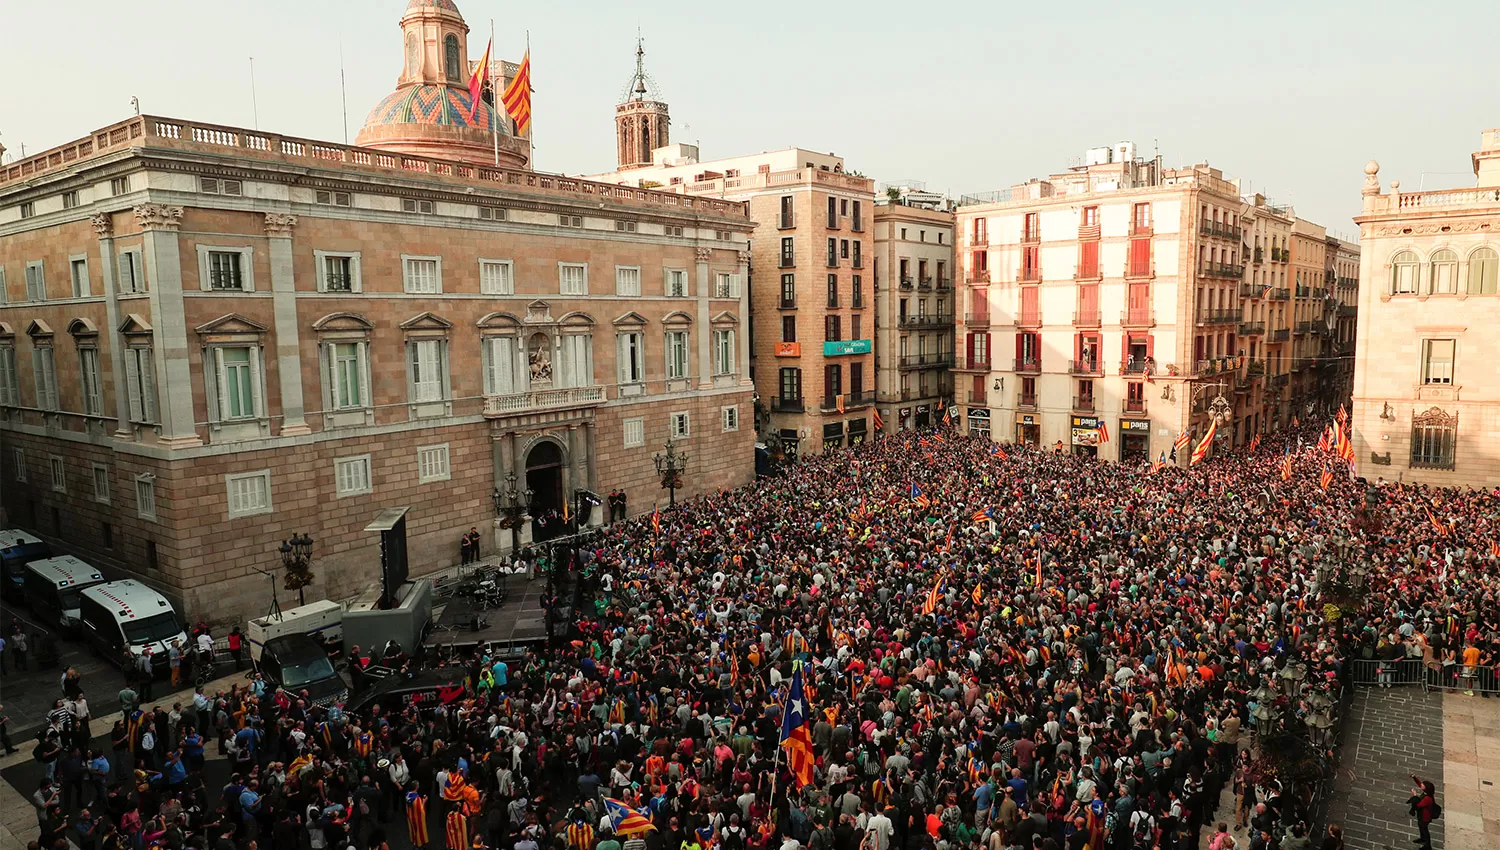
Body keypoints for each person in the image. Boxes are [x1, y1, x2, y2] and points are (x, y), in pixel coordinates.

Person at [1410, 775, 1438, 849]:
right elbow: (1419, 784)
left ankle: (1427, 845)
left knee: (1425, 830)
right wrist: (1414, 777)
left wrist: (1415, 795)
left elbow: (1419, 805)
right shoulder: (1426, 793)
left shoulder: (1428, 799)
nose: (1421, 785)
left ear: (1426, 788)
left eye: (1423, 785)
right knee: (1421, 828)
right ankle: (1422, 839)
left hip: (1424, 818)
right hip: (1421, 815)